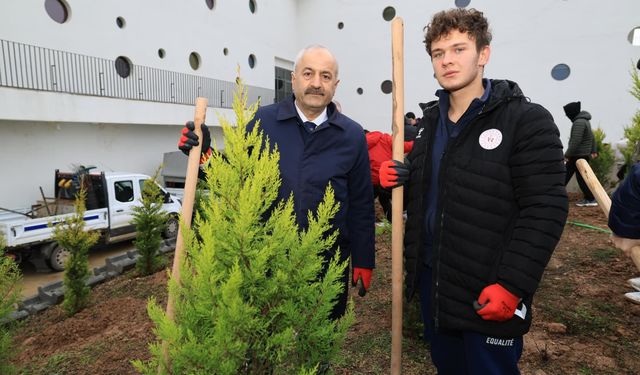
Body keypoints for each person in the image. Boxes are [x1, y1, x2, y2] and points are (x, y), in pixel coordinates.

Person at [379, 8, 568, 373]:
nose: (447, 60)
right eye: (438, 53)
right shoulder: (429, 124)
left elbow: (545, 208)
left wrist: (512, 284)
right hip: (437, 284)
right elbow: (429, 196)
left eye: (458, 48)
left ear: (483, 54)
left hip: (490, 288)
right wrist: (397, 182)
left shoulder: (526, 121)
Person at [178, 45, 375, 320]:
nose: (316, 83)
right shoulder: (264, 121)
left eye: (326, 76)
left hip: (328, 263)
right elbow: (236, 177)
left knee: (319, 345)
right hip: (268, 260)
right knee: (267, 342)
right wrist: (203, 155)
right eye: (308, 73)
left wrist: (364, 258)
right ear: (294, 79)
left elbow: (362, 204)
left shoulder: (352, 135)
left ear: (336, 84)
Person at [365, 130, 413, 222]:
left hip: (370, 181)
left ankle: (368, 221)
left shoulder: (363, 142)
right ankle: (393, 221)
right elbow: (406, 146)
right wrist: (418, 142)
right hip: (387, 179)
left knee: (366, 203)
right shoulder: (386, 139)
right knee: (384, 199)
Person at [563, 101, 598, 207]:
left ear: (571, 112)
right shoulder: (584, 121)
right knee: (568, 174)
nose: (566, 115)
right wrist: (593, 150)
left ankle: (590, 198)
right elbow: (592, 137)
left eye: (567, 113)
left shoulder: (579, 123)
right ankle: (590, 198)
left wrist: (567, 154)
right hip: (582, 154)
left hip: (578, 155)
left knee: (571, 175)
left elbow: (575, 141)